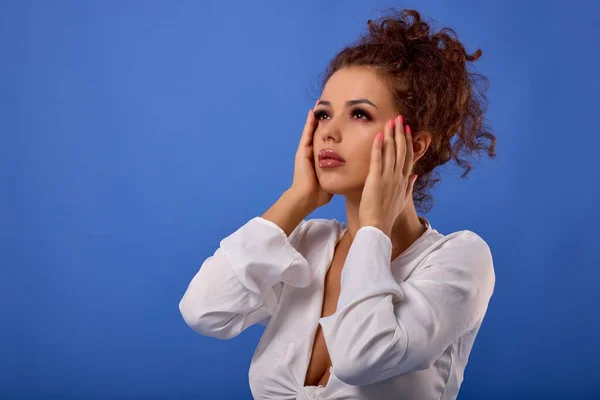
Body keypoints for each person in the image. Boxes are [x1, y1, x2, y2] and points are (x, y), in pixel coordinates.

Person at [179, 8, 497, 400]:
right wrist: (297, 199)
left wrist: (372, 230)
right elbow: (204, 311)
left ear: (414, 146)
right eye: (324, 113)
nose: (329, 131)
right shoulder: (308, 243)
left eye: (359, 114)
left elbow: (361, 359)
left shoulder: (460, 259)